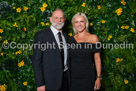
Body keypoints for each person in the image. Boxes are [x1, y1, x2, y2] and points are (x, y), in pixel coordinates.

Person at [32, 8, 70, 91]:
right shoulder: (41, 36)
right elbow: (36, 61)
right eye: (56, 18)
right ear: (51, 19)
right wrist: (40, 84)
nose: (59, 20)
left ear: (64, 20)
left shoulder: (66, 36)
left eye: (61, 18)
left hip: (66, 81)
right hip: (50, 82)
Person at [69, 12, 101, 91]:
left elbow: (97, 59)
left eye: (81, 21)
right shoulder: (70, 40)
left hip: (87, 77)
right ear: (74, 24)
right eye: (76, 22)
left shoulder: (93, 38)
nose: (79, 24)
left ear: (86, 23)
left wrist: (98, 78)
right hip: (72, 78)